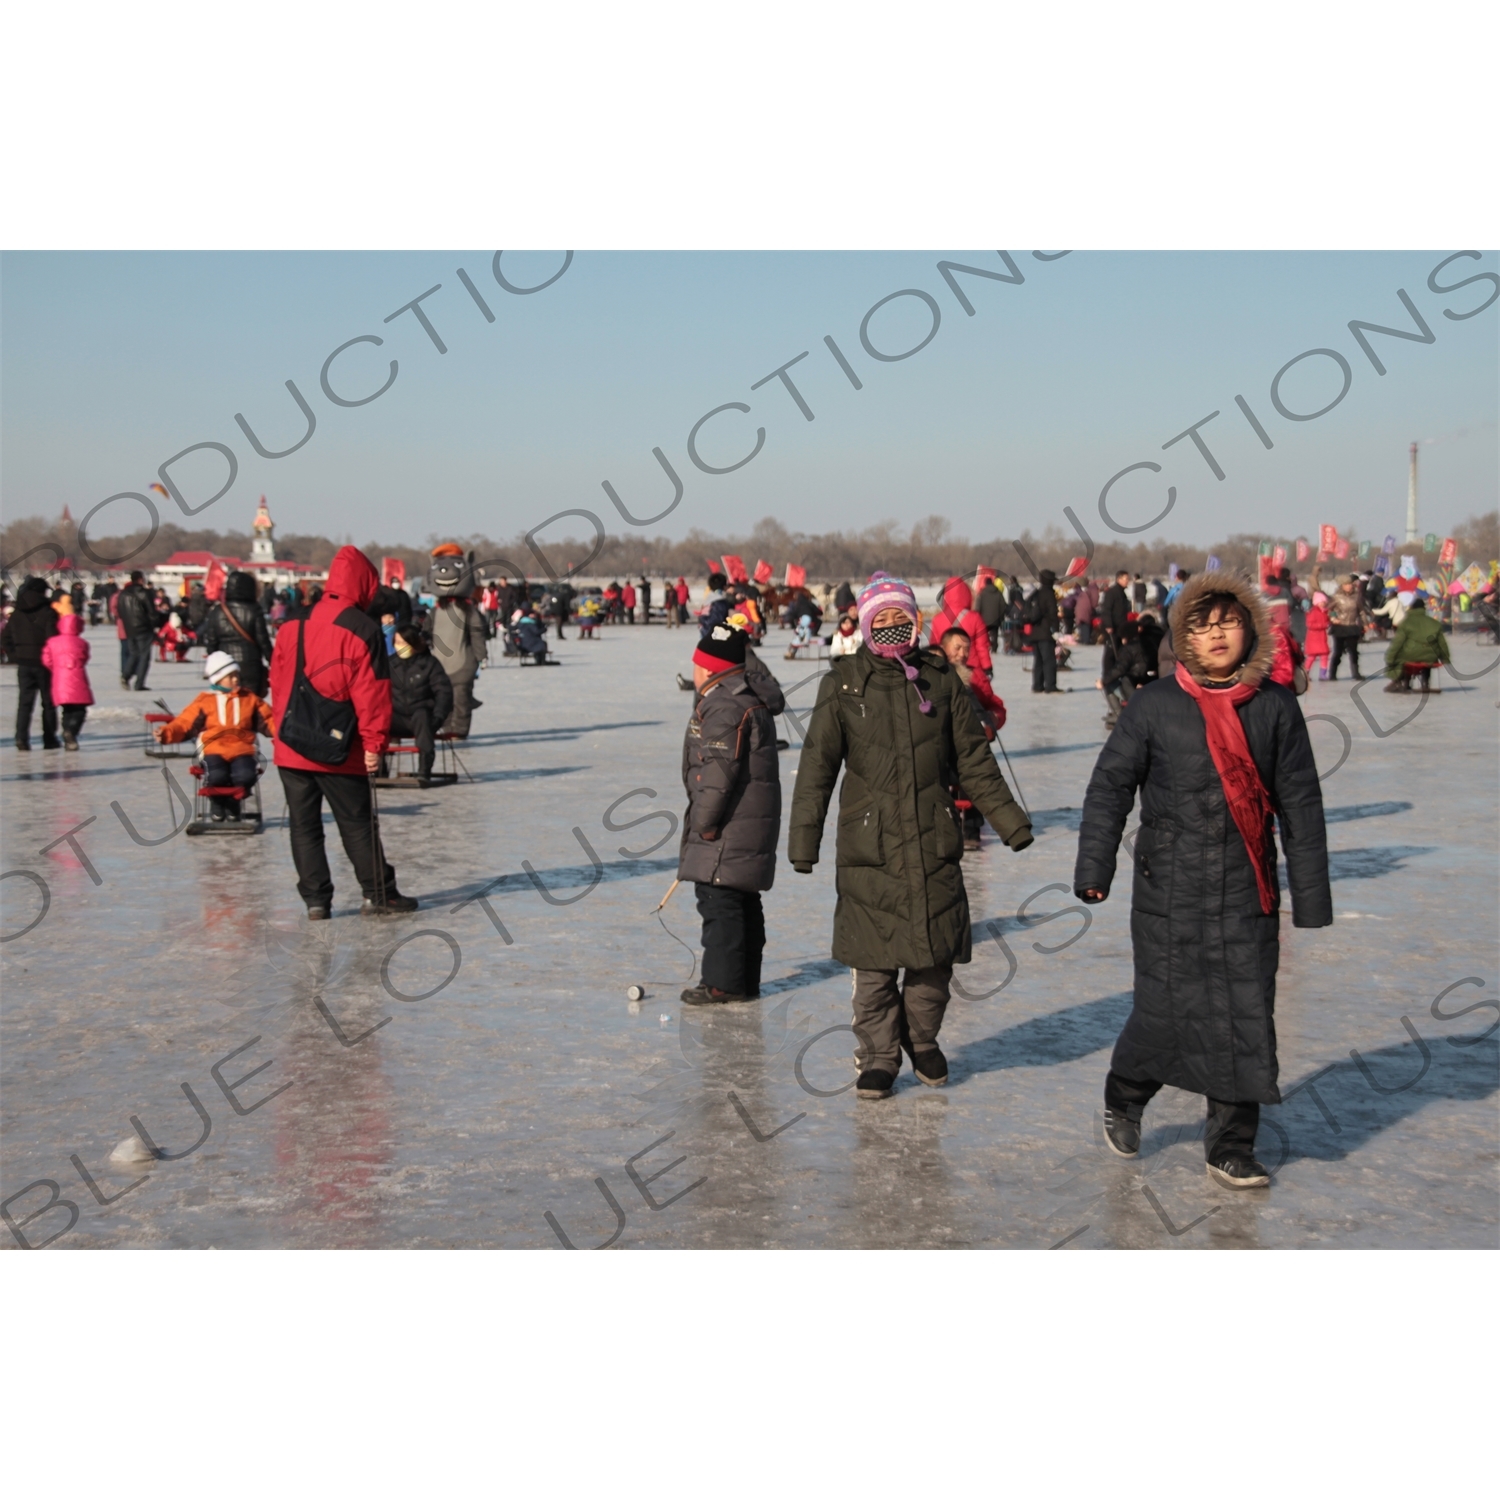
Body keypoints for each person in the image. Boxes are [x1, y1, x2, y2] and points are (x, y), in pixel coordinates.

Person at [1074, 570, 1331, 1190]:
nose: (1217, 635)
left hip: (1248, 888)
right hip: (1170, 888)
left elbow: (1300, 800)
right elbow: (1111, 787)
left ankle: (1231, 1146)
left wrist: (1313, 894)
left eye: (1229, 622)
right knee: (1165, 1012)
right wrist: (1094, 867)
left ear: (1251, 630)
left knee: (1245, 1014)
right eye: (1203, 624)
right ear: (1183, 637)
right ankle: (1126, 1092)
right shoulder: (1156, 704)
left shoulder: (1274, 704)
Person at [788, 573, 1033, 1099]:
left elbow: (973, 760)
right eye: (884, 619)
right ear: (870, 624)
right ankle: (878, 1055)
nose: (895, 625)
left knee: (932, 964)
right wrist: (802, 841)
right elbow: (816, 769)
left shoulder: (940, 681)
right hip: (869, 851)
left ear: (917, 622)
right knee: (874, 965)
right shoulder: (844, 684)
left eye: (904, 617)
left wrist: (1010, 821)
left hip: (931, 841)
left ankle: (922, 1041)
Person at [269, 545, 416, 918]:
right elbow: (373, 694)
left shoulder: (291, 622)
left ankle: (316, 901)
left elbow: (279, 681)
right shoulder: (363, 629)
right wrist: (374, 744)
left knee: (304, 826)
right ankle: (379, 892)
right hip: (340, 746)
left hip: (292, 744)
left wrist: (278, 728)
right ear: (365, 584)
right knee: (357, 824)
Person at [678, 615, 781, 1005]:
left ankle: (723, 983)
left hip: (728, 826)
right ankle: (744, 979)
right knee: (742, 899)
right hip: (748, 825)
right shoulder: (745, 699)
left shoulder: (723, 705)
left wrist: (704, 825)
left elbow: (718, 776)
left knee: (719, 901)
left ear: (709, 668)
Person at [152, 652, 275, 819]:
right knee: (217, 776)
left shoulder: (249, 699)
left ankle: (233, 803)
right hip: (213, 749)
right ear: (217, 679)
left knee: (245, 775)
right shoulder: (205, 701)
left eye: (236, 675)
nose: (235, 679)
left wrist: (285, 731)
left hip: (243, 749)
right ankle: (217, 803)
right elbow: (185, 722)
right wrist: (166, 733)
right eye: (229, 676)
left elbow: (269, 719)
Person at [937, 628, 1008, 849]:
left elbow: (992, 706)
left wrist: (994, 721)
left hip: (967, 745)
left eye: (966, 649)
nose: (962, 653)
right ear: (944, 648)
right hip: (938, 747)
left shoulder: (975, 676)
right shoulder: (930, 673)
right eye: (957, 648)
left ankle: (972, 830)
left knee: (974, 771)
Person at [424, 545, 488, 737]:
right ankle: (446, 726)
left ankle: (459, 729)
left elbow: (477, 633)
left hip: (463, 663)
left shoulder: (468, 611)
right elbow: (426, 632)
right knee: (443, 699)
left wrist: (481, 656)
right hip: (439, 664)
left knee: (461, 699)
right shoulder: (436, 611)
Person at [389, 624, 454, 782]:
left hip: (420, 716)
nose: (400, 647)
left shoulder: (429, 664)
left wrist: (438, 717)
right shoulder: (389, 663)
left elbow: (444, 692)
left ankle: (424, 771)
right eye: (397, 643)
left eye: (404, 643)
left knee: (422, 716)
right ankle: (378, 769)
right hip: (396, 716)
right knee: (377, 720)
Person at [3, 577, 61, 750]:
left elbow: (5, 638)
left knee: (24, 704)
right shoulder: (49, 612)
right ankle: (50, 739)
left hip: (24, 663)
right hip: (44, 663)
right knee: (49, 704)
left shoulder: (18, 612)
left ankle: (21, 739)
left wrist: (15, 655)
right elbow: (53, 639)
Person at [198, 570, 275, 697]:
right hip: (251, 664)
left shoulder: (217, 611)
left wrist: (216, 663)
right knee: (251, 704)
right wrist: (272, 660)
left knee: (228, 705)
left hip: (226, 666)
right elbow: (263, 641)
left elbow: (211, 643)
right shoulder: (254, 610)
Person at [40, 608, 93, 751]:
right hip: (78, 678)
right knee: (80, 710)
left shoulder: (52, 641)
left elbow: (46, 659)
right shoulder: (82, 643)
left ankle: (67, 734)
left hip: (59, 679)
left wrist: (56, 668)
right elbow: (84, 658)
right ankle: (71, 731)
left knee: (67, 709)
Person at [1383, 591, 1450, 692]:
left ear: (1411, 608)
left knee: (1403, 658)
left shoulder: (1406, 622)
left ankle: (1405, 682)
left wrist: (1390, 658)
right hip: (1430, 656)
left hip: (1410, 655)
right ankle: (1425, 683)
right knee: (1428, 657)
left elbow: (1398, 643)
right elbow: (1442, 643)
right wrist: (1445, 658)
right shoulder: (1434, 623)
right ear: (1424, 609)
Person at [116, 569, 163, 690]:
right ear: (140, 579)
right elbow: (151, 612)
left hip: (129, 628)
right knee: (144, 656)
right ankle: (139, 683)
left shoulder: (123, 593)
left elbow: (119, 612)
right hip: (143, 627)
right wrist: (155, 624)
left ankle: (126, 675)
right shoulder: (144, 593)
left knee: (133, 653)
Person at [1097, 618, 1147, 729]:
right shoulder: (1142, 644)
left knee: (1109, 686)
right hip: (1142, 681)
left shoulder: (1128, 649)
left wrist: (1104, 681)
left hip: (1132, 687)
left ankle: (1119, 715)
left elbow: (1120, 668)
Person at [1327, 574, 1371, 680]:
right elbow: (1329, 610)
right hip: (1340, 627)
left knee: (1354, 651)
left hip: (1352, 626)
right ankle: (1332, 673)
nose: (1349, 586)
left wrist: (1365, 624)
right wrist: (1333, 619)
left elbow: (1361, 611)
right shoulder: (1336, 597)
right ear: (1342, 586)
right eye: (1346, 584)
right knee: (1338, 652)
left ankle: (1356, 673)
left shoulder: (1356, 597)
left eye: (1350, 584)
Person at [1025, 568, 1061, 692]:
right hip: (1046, 632)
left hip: (1035, 632)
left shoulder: (1036, 593)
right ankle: (1050, 685)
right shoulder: (1049, 593)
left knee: (1038, 661)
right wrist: (1056, 630)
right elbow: (1052, 613)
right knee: (1049, 660)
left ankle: (1037, 685)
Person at [1099, 569, 1131, 646]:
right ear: (1119, 579)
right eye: (1126, 579)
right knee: (1111, 652)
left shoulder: (1122, 593)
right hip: (1113, 627)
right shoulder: (1111, 592)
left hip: (1121, 627)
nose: (1128, 581)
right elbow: (1106, 609)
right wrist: (1108, 625)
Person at [1304, 591, 1331, 681]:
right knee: (1311, 657)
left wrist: (1329, 622)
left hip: (1321, 637)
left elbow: (1326, 621)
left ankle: (1322, 674)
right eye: (1321, 601)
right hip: (1314, 638)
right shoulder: (1313, 612)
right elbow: (1310, 625)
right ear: (1317, 602)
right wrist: (1324, 625)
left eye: (1324, 602)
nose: (1323, 603)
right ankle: (1305, 673)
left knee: (1324, 656)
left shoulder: (1324, 612)